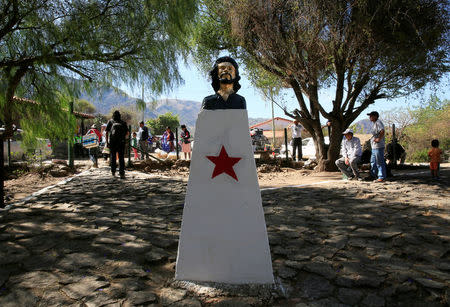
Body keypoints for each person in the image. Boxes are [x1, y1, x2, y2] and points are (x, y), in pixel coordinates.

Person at [105, 110, 128, 179]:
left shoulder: (110, 122)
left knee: (113, 156)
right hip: (121, 142)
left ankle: (113, 171)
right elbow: (127, 133)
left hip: (112, 142)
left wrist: (107, 142)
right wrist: (124, 139)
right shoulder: (123, 123)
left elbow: (106, 132)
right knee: (121, 157)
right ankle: (122, 173)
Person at [367, 111, 387, 182]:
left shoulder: (378, 122)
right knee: (373, 161)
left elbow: (382, 131)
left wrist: (379, 138)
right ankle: (373, 175)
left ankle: (381, 176)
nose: (370, 117)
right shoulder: (374, 124)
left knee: (379, 161)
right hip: (374, 146)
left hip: (378, 146)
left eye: (371, 116)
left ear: (375, 116)